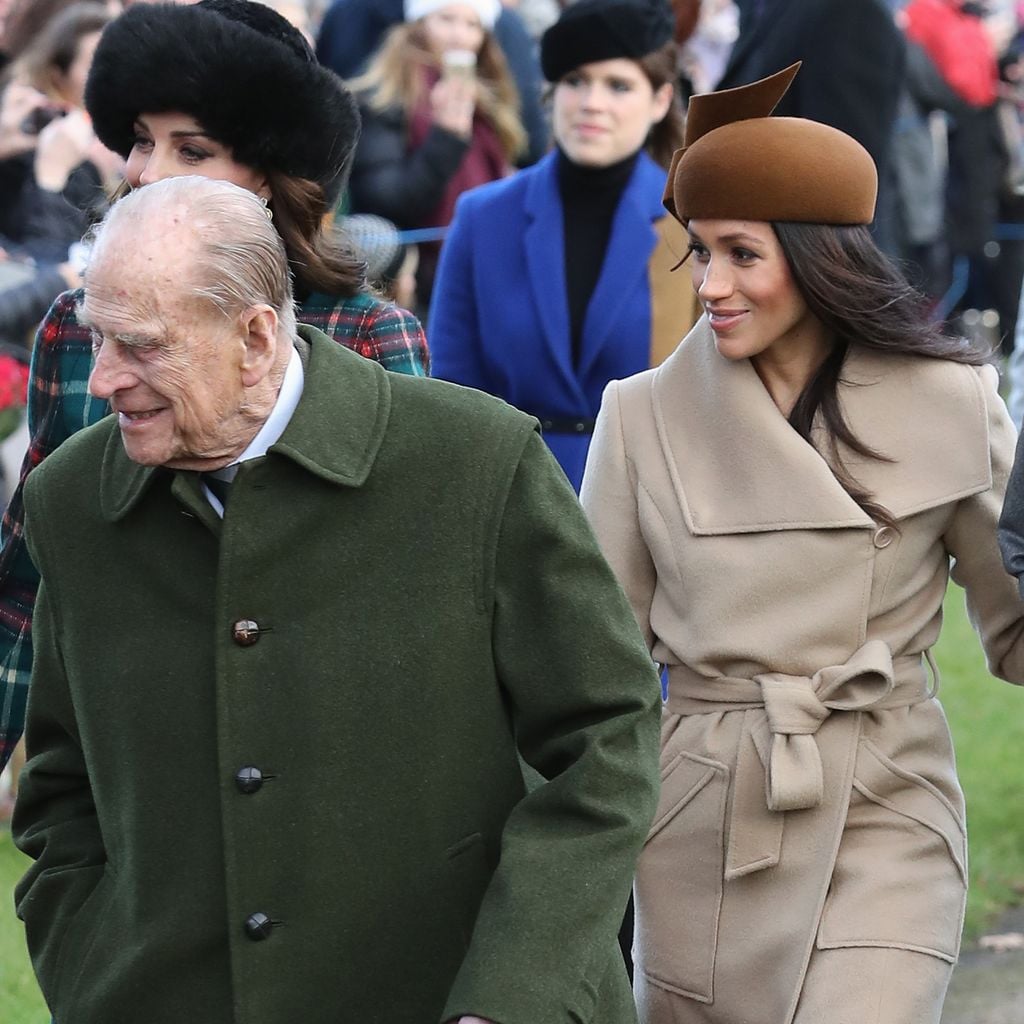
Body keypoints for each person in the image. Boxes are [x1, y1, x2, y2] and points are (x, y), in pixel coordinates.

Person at [12, 173, 661, 1024]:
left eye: (140, 346)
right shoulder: (71, 502)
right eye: (98, 338)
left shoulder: (475, 461)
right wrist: (94, 971)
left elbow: (605, 739)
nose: (102, 380)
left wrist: (514, 996)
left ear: (254, 337)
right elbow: (62, 794)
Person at [580, 63, 1024, 1024]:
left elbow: (1014, 628)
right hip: (707, 815)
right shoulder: (640, 418)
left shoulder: (953, 404)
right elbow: (588, 663)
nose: (710, 286)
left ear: (822, 259)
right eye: (698, 254)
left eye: (742, 254)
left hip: (886, 791)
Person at [0, 0, 429, 776]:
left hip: (312, 749)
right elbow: (32, 574)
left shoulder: (367, 334)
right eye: (139, 139)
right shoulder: (76, 326)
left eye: (191, 149)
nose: (149, 171)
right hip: (131, 748)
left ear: (265, 177)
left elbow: (413, 582)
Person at [429, 0, 699, 493]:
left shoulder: (690, 226)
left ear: (660, 100)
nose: (592, 102)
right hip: (508, 498)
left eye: (618, 85)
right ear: (550, 93)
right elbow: (453, 389)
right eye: (575, 81)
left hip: (645, 500)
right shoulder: (483, 217)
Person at [346, 0, 527, 308]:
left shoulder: (486, 94)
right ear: (420, 23)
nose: (460, 35)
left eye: (472, 25)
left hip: (486, 270)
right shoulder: (384, 94)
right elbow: (385, 198)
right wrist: (446, 139)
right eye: (447, 19)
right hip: (414, 283)